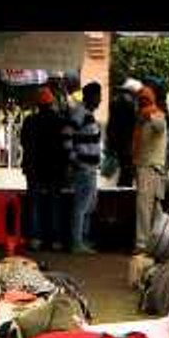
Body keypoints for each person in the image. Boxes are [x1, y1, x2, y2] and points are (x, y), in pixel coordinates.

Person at [21, 86, 68, 251]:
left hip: (33, 167)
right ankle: (55, 240)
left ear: (37, 104)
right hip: (54, 168)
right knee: (55, 203)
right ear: (52, 103)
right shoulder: (60, 121)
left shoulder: (30, 121)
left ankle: (35, 239)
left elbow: (24, 143)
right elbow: (64, 146)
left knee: (34, 202)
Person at [63, 82, 102, 254]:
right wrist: (74, 158)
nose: (100, 100)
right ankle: (77, 242)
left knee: (89, 205)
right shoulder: (80, 114)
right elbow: (66, 134)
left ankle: (83, 240)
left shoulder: (87, 115)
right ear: (91, 97)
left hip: (90, 168)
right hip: (84, 168)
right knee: (81, 206)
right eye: (98, 96)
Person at [132, 85, 168, 255]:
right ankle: (151, 243)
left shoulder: (155, 115)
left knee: (146, 208)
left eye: (144, 100)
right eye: (141, 100)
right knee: (151, 208)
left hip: (150, 168)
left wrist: (150, 115)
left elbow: (160, 126)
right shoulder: (141, 119)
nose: (142, 104)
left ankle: (143, 244)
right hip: (146, 167)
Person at [106, 78, 141, 189]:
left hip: (115, 138)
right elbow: (133, 123)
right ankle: (124, 189)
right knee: (127, 169)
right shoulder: (131, 103)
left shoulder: (115, 100)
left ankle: (119, 187)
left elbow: (111, 122)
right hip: (127, 140)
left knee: (121, 167)